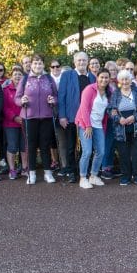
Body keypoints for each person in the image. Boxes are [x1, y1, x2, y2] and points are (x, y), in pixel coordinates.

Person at [15, 54, 57, 184]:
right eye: (35, 63)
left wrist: (53, 100)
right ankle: (31, 173)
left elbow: (56, 96)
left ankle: (47, 172)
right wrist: (21, 100)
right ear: (31, 65)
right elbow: (17, 98)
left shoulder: (49, 78)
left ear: (43, 65)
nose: (37, 66)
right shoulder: (25, 79)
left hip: (46, 117)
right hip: (29, 117)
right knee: (31, 145)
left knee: (45, 145)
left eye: (40, 63)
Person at [107, 70, 137, 186]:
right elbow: (110, 110)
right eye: (122, 79)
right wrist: (118, 119)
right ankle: (126, 177)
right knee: (123, 153)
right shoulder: (116, 94)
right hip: (121, 129)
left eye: (127, 79)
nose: (125, 82)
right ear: (119, 81)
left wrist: (134, 117)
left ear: (131, 80)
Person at [57, 51, 90, 183]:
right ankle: (72, 171)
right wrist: (62, 116)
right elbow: (61, 96)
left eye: (84, 60)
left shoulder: (92, 77)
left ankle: (84, 171)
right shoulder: (67, 75)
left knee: (86, 147)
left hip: (87, 118)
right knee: (71, 147)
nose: (81, 63)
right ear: (74, 62)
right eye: (79, 60)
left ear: (87, 62)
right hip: (71, 117)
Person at [75, 69, 111, 189]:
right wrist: (88, 126)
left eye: (106, 78)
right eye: (102, 77)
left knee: (100, 151)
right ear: (97, 77)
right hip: (86, 125)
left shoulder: (108, 92)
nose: (104, 80)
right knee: (87, 152)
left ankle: (93, 176)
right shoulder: (89, 89)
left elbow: (108, 110)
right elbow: (84, 108)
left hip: (99, 125)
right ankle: (83, 177)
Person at [3, 65, 28, 180]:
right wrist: (14, 117)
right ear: (11, 77)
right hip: (11, 123)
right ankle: (12, 169)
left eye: (20, 74)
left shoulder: (27, 88)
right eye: (15, 74)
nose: (17, 76)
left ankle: (24, 168)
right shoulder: (6, 89)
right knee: (12, 147)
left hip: (25, 121)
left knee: (24, 146)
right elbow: (4, 107)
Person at [101, 61, 119, 179]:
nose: (113, 72)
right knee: (106, 143)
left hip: (117, 118)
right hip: (107, 118)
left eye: (114, 70)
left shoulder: (118, 83)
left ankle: (110, 166)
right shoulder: (104, 85)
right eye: (111, 70)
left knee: (113, 142)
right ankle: (104, 168)